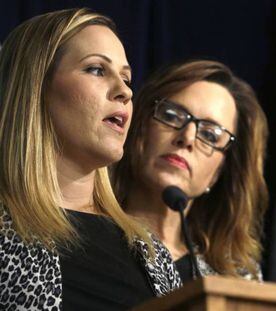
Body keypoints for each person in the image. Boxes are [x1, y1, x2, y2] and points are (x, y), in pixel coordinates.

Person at [0, 8, 181, 310]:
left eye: (127, 78)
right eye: (97, 70)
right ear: (35, 87)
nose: (124, 91)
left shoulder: (150, 251)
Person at [112, 60, 269, 282]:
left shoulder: (237, 277)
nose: (187, 138)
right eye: (172, 116)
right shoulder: (88, 235)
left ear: (219, 172)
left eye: (210, 135)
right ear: (140, 127)